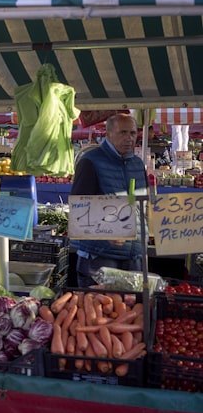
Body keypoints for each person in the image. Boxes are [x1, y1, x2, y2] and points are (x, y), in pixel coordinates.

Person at [69, 113, 147, 288]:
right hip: (100, 258)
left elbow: (142, 205)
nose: (129, 138)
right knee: (99, 310)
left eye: (133, 133)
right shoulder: (90, 161)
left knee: (131, 309)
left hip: (133, 256)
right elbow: (78, 210)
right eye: (123, 132)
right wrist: (106, 233)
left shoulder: (138, 164)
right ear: (108, 133)